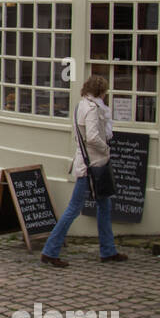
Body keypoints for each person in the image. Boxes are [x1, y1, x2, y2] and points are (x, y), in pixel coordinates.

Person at [40, 75, 127, 267]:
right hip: (91, 165)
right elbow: (93, 138)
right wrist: (107, 149)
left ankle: (108, 250)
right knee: (74, 208)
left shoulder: (82, 105)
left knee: (104, 207)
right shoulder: (93, 110)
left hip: (89, 163)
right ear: (100, 92)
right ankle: (50, 250)